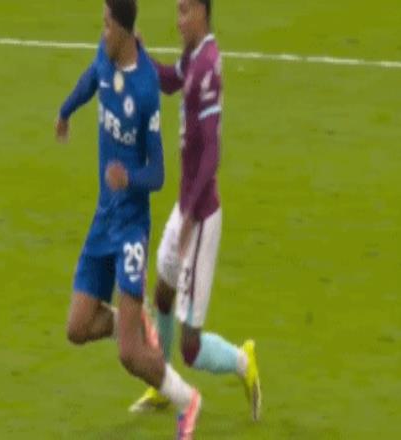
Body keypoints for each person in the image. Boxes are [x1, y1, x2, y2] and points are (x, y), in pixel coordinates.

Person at [56, 0, 202, 437]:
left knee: (129, 355)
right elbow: (92, 79)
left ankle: (188, 400)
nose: (102, 31)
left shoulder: (145, 90)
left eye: (106, 24)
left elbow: (157, 173)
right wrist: (66, 111)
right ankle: (130, 320)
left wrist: (128, 178)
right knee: (77, 327)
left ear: (122, 29)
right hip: (103, 220)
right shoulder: (106, 56)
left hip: (131, 229)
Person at [129, 0, 262, 422]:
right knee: (162, 292)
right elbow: (170, 81)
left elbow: (211, 152)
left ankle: (243, 361)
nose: (178, 20)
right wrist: (142, 55)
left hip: (200, 216)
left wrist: (189, 216)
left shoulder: (207, 66)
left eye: (185, 11)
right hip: (186, 207)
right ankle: (163, 384)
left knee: (192, 345)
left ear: (203, 12)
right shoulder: (193, 57)